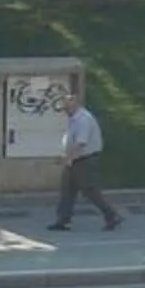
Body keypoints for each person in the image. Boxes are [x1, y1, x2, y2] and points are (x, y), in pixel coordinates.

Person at [48, 94, 122, 233]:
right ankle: (63, 220)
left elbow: (81, 143)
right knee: (67, 190)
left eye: (66, 108)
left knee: (90, 191)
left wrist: (66, 158)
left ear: (74, 105)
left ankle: (112, 215)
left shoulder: (83, 120)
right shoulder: (74, 119)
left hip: (84, 160)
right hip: (74, 159)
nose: (65, 111)